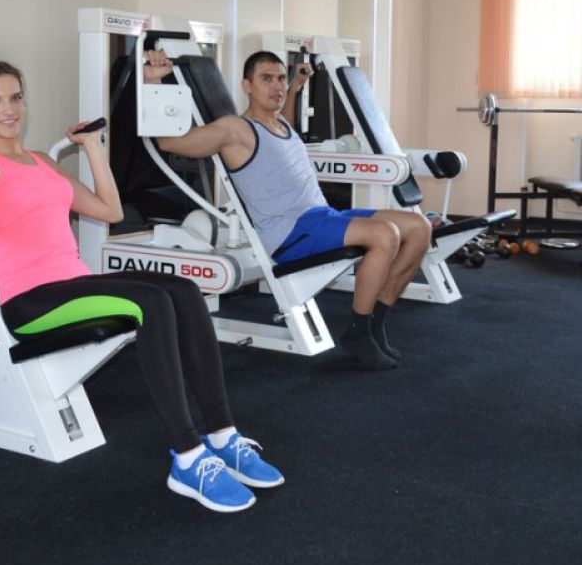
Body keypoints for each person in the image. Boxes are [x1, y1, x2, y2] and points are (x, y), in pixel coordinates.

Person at [0, 58, 282, 514]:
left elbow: (109, 211)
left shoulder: (41, 161)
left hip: (73, 283)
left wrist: (94, 148)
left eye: (15, 98)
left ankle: (222, 434)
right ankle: (187, 456)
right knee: (152, 303)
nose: (8, 110)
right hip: (30, 301)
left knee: (184, 290)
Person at [149, 49, 432, 371]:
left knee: (418, 228)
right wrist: (153, 83)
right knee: (385, 234)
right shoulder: (235, 130)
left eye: (280, 79)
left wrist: (296, 86)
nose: (277, 86)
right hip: (290, 232)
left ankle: (375, 324)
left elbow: (285, 123)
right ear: (247, 86)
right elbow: (169, 143)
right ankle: (359, 330)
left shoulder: (281, 123)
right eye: (267, 79)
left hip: (321, 217)